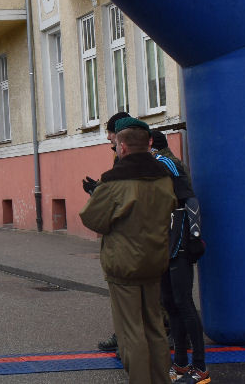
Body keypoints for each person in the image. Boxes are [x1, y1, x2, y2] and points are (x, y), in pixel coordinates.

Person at [79, 118, 176, 384]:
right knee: (155, 326)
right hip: (155, 260)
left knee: (130, 331)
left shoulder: (115, 181)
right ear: (148, 145)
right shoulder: (164, 178)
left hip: (124, 263)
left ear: (122, 147)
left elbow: (93, 218)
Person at [150, 131, 210, 384]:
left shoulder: (166, 163)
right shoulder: (148, 167)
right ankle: (182, 362)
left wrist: (195, 235)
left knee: (183, 302)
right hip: (162, 243)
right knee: (170, 302)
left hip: (180, 242)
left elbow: (190, 197)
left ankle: (200, 367)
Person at [82, 111, 129, 352]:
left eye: (111, 133)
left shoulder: (133, 164)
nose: (108, 138)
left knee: (127, 300)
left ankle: (126, 343)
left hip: (126, 245)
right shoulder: (128, 162)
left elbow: (118, 197)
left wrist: (97, 195)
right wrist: (98, 189)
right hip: (140, 246)